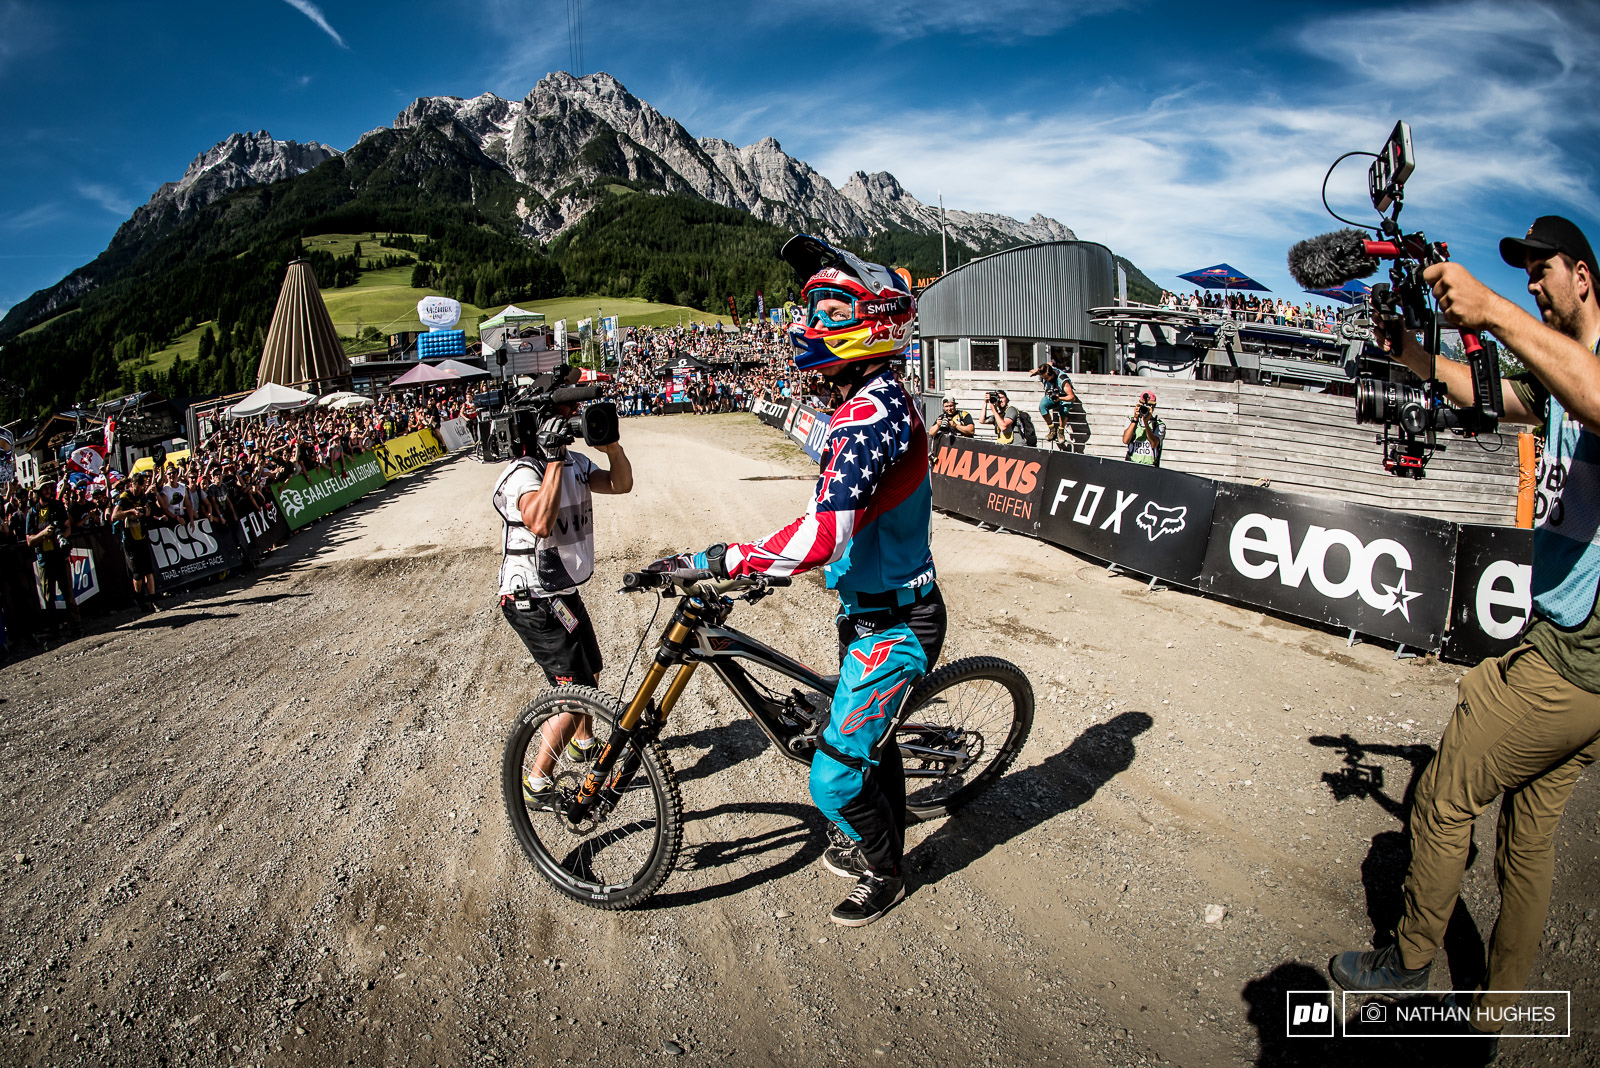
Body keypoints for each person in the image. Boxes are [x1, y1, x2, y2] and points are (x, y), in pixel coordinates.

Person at [1329, 215, 1600, 1044]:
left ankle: (1410, 961)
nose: (1531, 284)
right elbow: (1489, 397)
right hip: (1569, 643)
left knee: (1445, 795)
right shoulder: (1561, 374)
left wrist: (1492, 312)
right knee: (1526, 835)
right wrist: (1412, 350)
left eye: (1541, 271)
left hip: (1576, 655)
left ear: (1583, 274)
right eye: (1520, 275)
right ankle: (1502, 1007)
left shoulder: (1587, 369)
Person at [683, 234, 947, 927]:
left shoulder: (869, 415)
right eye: (812, 308)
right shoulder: (870, 397)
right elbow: (831, 515)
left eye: (830, 309)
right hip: (869, 612)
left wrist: (733, 558)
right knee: (867, 746)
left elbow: (826, 531)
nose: (811, 324)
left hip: (896, 624)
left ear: (873, 322)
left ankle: (887, 872)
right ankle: (879, 821)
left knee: (831, 779)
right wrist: (780, 565)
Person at [492, 382, 633, 811]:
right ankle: (536, 780)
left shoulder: (573, 461)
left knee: (590, 671)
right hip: (530, 597)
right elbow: (537, 521)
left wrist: (611, 447)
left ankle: (583, 743)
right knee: (576, 691)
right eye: (566, 412)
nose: (573, 419)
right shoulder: (520, 473)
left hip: (560, 590)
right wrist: (551, 459)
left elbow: (621, 484)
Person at [25, 484, 81, 640]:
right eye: (45, 488)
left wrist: (62, 537)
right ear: (38, 492)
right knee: (48, 598)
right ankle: (53, 630)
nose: (48, 490)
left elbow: (67, 527)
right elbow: (29, 541)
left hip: (59, 556)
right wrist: (43, 534)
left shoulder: (57, 506)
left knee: (68, 593)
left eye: (50, 487)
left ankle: (76, 626)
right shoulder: (32, 512)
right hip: (44, 558)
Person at [113, 472, 159, 612]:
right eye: (137, 488)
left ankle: (153, 601)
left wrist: (145, 511)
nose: (139, 490)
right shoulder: (125, 497)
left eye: (141, 487)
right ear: (132, 485)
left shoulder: (142, 496)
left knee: (149, 572)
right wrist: (131, 512)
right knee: (138, 575)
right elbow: (114, 516)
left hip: (142, 536)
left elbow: (149, 510)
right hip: (130, 540)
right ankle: (140, 601)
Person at [1030, 360, 1077, 444]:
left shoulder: (1062, 379)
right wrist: (1035, 372)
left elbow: (1072, 397)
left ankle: (1061, 431)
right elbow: (1047, 364)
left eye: (1047, 378)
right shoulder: (1044, 372)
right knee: (1042, 406)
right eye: (1044, 378)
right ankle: (1052, 430)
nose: (1046, 380)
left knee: (1064, 409)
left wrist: (1060, 399)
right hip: (1052, 396)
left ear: (1052, 374)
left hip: (1064, 397)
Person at [1122, 390, 1164, 466]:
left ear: (1153, 407)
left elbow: (1154, 444)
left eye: (1149, 406)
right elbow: (1125, 440)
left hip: (1150, 466)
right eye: (1143, 405)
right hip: (1132, 463)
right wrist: (1135, 419)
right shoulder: (1131, 420)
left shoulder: (1158, 424)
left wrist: (1146, 423)